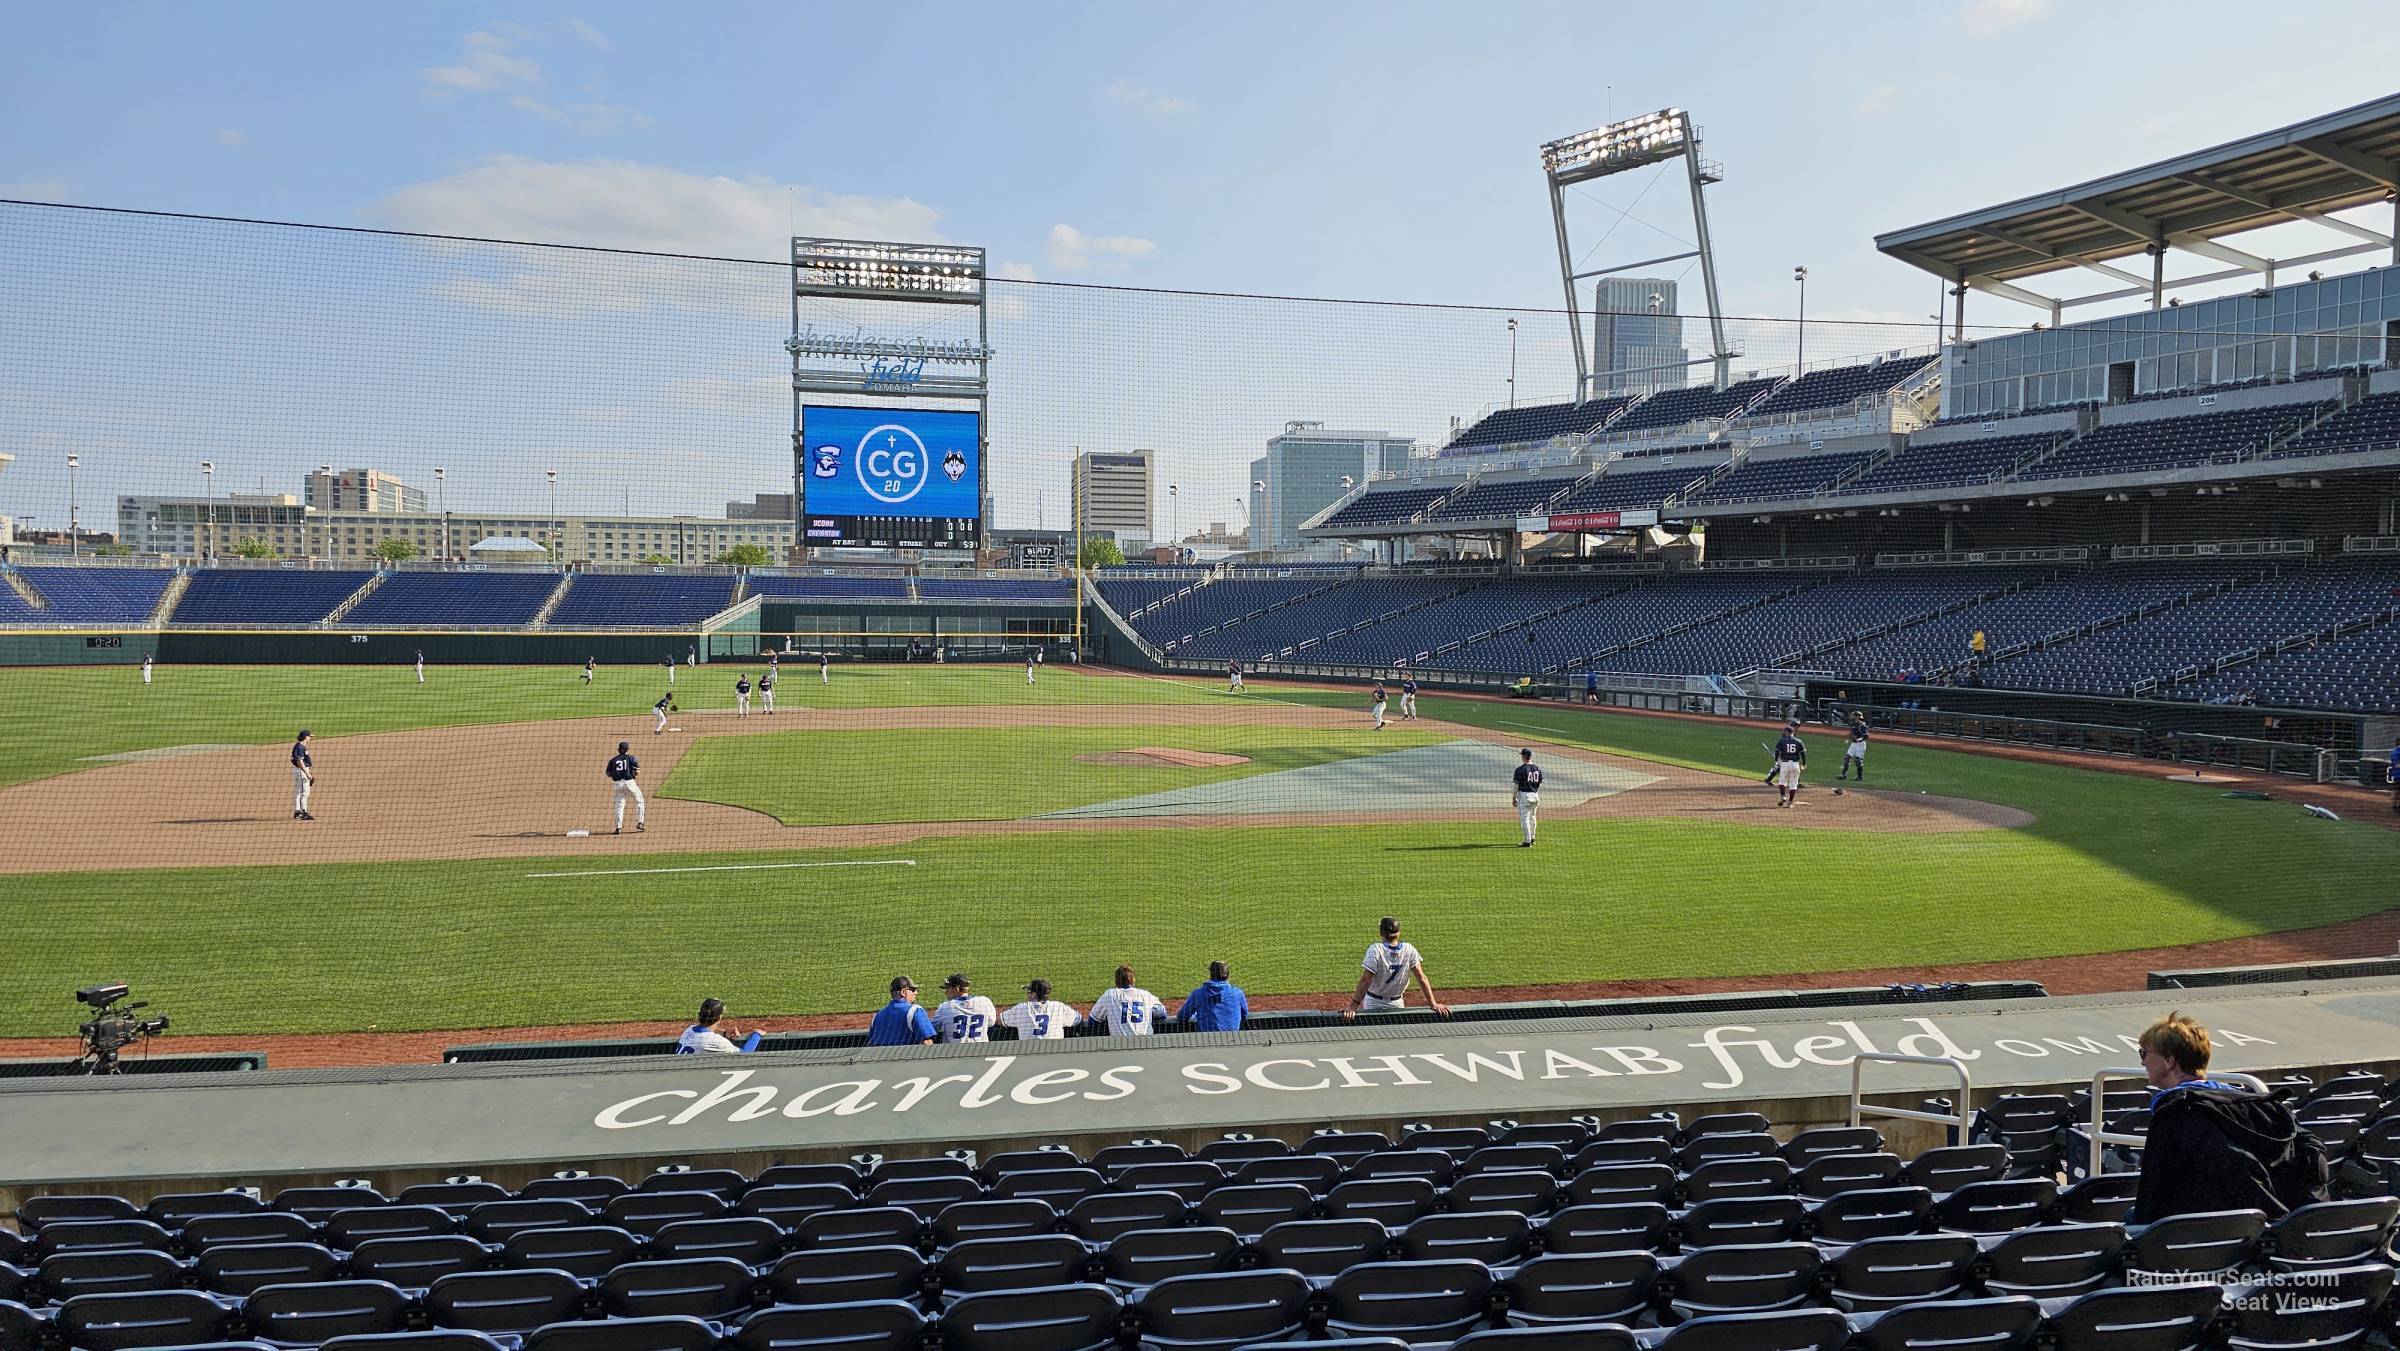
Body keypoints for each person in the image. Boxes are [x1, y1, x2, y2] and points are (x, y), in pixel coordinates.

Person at [2132, 1011, 2323, 1223]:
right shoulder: (2255, 1103)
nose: (2142, 1063)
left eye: (2144, 1054)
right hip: (2266, 1223)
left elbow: (2154, 1192)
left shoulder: (2178, 1114)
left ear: (2169, 1061)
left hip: (2210, 1228)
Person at [1346, 916, 1449, 1019]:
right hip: (1397, 1004)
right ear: (1398, 933)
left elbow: (1366, 980)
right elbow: (1421, 978)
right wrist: (1433, 1003)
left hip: (1373, 1003)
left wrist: (1353, 1006)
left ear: (1381, 933)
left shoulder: (1375, 950)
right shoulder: (1409, 949)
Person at [1089, 965, 1170, 1036]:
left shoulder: (1109, 995)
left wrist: (1111, 1018)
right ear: (1133, 980)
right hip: (1145, 1047)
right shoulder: (1146, 995)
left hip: (1119, 1048)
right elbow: (1163, 1014)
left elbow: (1093, 1020)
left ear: (1116, 981)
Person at [1177, 961, 1248, 1032]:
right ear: (1227, 975)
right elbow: (1244, 1015)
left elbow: (1182, 1016)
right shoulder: (1238, 993)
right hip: (1233, 1040)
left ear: (1211, 974)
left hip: (1206, 1040)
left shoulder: (1198, 994)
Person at [865, 976, 936, 1046]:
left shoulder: (877, 1016)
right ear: (903, 992)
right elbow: (927, 1043)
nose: (916, 993)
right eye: (913, 990)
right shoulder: (915, 1010)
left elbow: (871, 1043)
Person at [1002, 979, 1082, 1040]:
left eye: (1029, 991)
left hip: (1027, 1052)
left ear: (1034, 994)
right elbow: (1078, 1019)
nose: (1027, 993)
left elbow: (1000, 1021)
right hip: (1055, 1052)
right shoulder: (1059, 1007)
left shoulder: (1020, 1008)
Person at [676, 997, 761, 1054]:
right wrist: (757, 1035)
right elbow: (744, 1054)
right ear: (719, 1018)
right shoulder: (716, 1041)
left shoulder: (689, 1030)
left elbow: (706, 1031)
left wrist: (725, 1033)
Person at [931, 973, 998, 1043]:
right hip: (981, 1051)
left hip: (953, 1052)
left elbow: (931, 1029)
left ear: (956, 989)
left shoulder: (945, 1007)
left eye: (947, 989)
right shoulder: (984, 1002)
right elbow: (991, 1023)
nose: (946, 993)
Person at [606, 739, 645, 834]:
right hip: (630, 783)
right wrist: (633, 775)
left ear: (618, 749)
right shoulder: (631, 758)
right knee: (640, 801)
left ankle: (618, 828)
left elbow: (608, 774)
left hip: (618, 784)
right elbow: (637, 772)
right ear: (627, 749)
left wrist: (617, 775)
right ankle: (640, 822)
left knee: (619, 806)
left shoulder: (613, 760)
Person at [1512, 747, 1543, 847]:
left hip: (1524, 796)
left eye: (1522, 755)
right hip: (1535, 795)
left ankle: (1527, 841)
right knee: (1533, 817)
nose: (1521, 756)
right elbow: (1540, 784)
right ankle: (1532, 838)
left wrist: (1514, 798)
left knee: (1524, 819)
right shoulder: (1537, 769)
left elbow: (1516, 786)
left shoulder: (1520, 769)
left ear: (1525, 756)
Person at [1771, 722, 1807, 808]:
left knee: (1782, 782)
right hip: (1795, 764)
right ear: (1793, 732)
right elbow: (1803, 754)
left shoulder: (1781, 741)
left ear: (1787, 732)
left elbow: (1777, 752)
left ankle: (1783, 796)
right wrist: (1804, 763)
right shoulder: (1799, 741)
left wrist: (1776, 761)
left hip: (1785, 764)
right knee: (1793, 784)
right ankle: (1790, 802)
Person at [290, 729, 316, 821]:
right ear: (305, 737)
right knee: (305, 792)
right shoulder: (300, 747)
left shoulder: (300, 746)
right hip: (301, 771)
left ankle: (297, 812)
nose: (310, 738)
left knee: (298, 791)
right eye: (309, 737)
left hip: (298, 771)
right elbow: (300, 761)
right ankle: (304, 813)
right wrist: (307, 773)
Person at [1838, 713, 1869, 782]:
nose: (1852, 717)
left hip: (1860, 745)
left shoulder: (1862, 725)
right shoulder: (1853, 724)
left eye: (1854, 716)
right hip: (1853, 744)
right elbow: (1852, 733)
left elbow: (1866, 736)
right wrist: (1848, 737)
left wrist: (1858, 740)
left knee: (1858, 761)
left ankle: (1859, 777)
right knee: (1846, 758)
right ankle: (1843, 775)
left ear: (1858, 717)